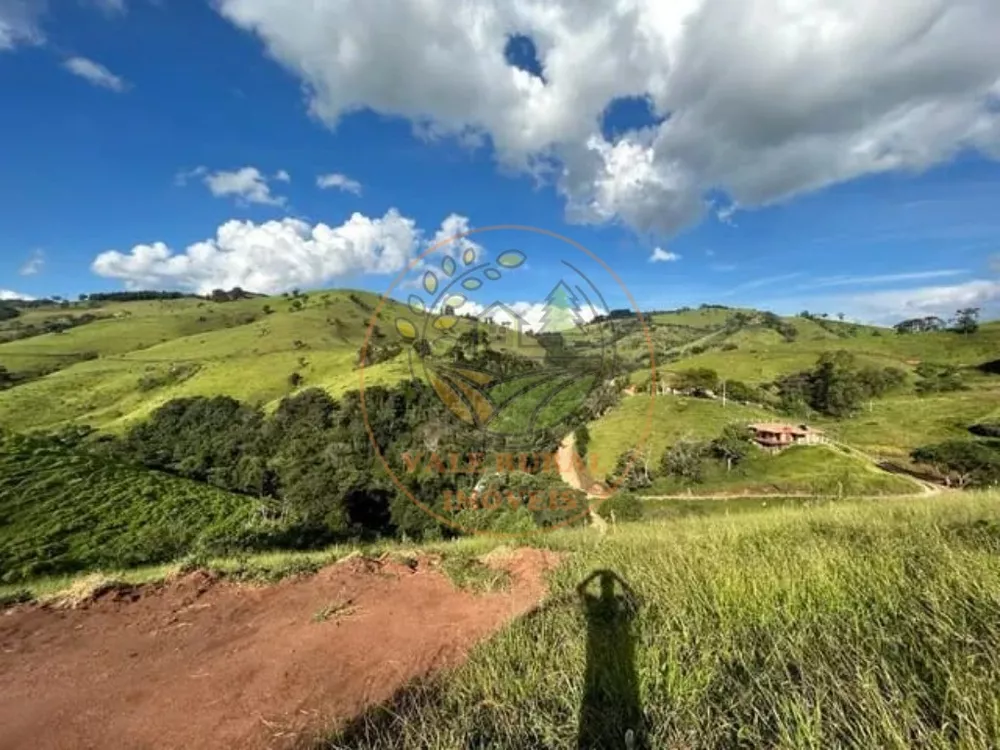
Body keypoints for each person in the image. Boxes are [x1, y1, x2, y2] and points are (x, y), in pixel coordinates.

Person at [576, 570, 646, 749]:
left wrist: (594, 575)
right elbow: (635, 599)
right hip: (617, 656)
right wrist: (619, 579)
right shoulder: (618, 606)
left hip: (601, 655)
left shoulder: (596, 606)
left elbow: (579, 590)